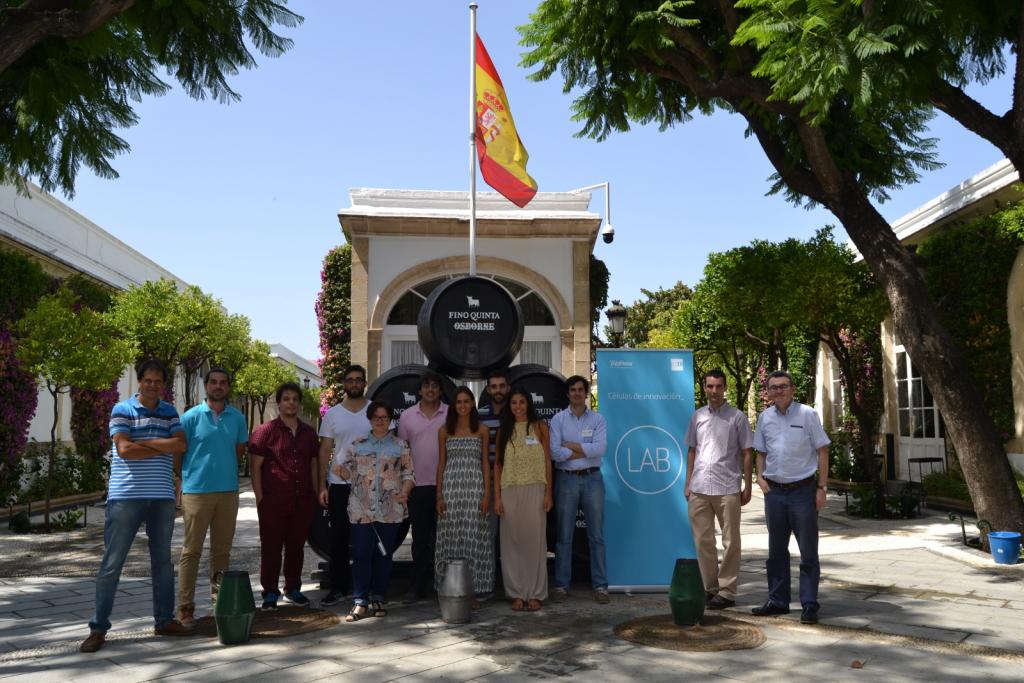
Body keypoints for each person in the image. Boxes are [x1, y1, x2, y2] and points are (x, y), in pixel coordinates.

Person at [80, 359, 194, 653]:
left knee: (162, 563)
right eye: (148, 380)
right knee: (112, 563)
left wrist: (147, 442)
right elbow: (124, 450)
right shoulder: (122, 409)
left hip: (162, 498)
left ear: (163, 384)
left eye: (158, 381)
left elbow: (180, 446)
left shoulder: (170, 410)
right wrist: (162, 442)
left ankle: (164, 620)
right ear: (139, 381)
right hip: (125, 496)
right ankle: (98, 628)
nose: (153, 385)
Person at [751, 370, 830, 625]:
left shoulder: (808, 414)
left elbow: (822, 450)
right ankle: (778, 601)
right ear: (769, 391)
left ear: (792, 388)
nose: (779, 391)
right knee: (776, 551)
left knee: (808, 551)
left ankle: (809, 604)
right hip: (774, 492)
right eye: (774, 387)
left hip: (803, 492)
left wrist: (822, 487)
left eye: (783, 386)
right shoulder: (765, 417)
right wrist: (760, 478)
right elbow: (760, 452)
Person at [176, 367, 248, 625]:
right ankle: (185, 608)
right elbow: (179, 453)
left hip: (228, 493)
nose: (218, 386)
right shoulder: (190, 417)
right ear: (206, 386)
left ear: (228, 387)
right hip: (197, 493)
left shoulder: (238, 418)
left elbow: (238, 451)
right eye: (214, 382)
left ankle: (220, 605)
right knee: (191, 551)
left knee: (221, 553)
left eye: (223, 382)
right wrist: (181, 481)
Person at [333, 400, 414, 621]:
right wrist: (341, 471)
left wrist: (405, 491)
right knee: (361, 554)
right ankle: (360, 601)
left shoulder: (400, 445)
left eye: (384, 417)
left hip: (390, 509)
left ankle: (379, 596)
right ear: (369, 420)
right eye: (376, 417)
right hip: (361, 508)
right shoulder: (356, 444)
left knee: (384, 554)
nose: (380, 421)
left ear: (390, 420)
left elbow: (408, 473)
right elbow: (343, 469)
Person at [683, 369, 754, 610]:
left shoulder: (737, 417)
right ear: (704, 387)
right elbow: (692, 450)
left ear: (725, 388)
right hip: (700, 487)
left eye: (718, 386)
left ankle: (727, 591)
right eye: (710, 386)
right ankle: (709, 588)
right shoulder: (697, 417)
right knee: (703, 541)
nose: (714, 391)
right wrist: (687, 482)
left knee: (731, 541)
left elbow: (746, 452)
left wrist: (747, 485)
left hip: (727, 487)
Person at [249, 382, 320, 610]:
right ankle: (270, 592)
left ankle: (293, 588)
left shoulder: (309, 433)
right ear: (279, 403)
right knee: (271, 547)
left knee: (296, 546)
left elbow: (313, 464)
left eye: (295, 399)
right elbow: (255, 467)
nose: (291, 402)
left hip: (302, 500)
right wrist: (260, 498)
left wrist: (316, 491)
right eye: (286, 398)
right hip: (273, 501)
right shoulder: (264, 432)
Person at [548, 375, 609, 604]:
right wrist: (585, 449)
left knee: (596, 536)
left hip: (592, 479)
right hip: (566, 480)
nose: (576, 393)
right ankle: (562, 585)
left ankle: (601, 586)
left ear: (586, 394)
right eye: (572, 389)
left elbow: (600, 449)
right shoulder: (558, 420)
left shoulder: (598, 419)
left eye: (580, 389)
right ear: (568, 394)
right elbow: (555, 453)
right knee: (564, 536)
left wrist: (572, 447)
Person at [494, 389, 552, 612]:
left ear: (528, 404)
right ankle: (516, 593)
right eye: (514, 403)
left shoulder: (539, 427)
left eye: (522, 402)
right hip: (509, 488)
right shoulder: (504, 431)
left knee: (535, 543)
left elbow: (548, 462)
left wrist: (549, 493)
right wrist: (498, 497)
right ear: (510, 406)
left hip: (536, 487)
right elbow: (498, 464)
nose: (518, 406)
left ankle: (535, 594)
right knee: (512, 543)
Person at [434, 387, 493, 606]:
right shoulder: (444, 431)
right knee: (451, 538)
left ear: (472, 404)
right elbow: (441, 463)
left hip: (475, 488)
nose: (463, 406)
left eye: (467, 401)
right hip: (451, 489)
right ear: (453, 405)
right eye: (458, 402)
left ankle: (476, 590)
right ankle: (450, 586)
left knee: (475, 538)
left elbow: (485, 463)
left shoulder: (482, 430)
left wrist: (487, 493)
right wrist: (439, 495)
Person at [317, 364, 370, 606]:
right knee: (339, 537)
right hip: (339, 484)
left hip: (369, 485)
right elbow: (325, 449)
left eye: (359, 380)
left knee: (365, 538)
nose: (355, 383)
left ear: (365, 382)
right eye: (350, 380)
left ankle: (364, 588)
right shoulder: (333, 415)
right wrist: (322, 485)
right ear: (344, 384)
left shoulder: (375, 411)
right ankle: (338, 587)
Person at [396, 372, 448, 599]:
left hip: (446, 485)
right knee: (419, 540)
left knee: (445, 539)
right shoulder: (407, 416)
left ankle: (444, 585)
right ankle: (417, 585)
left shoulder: (450, 413)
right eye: (426, 386)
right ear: (419, 391)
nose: (430, 390)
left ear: (440, 390)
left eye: (435, 386)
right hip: (418, 486)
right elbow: (402, 451)